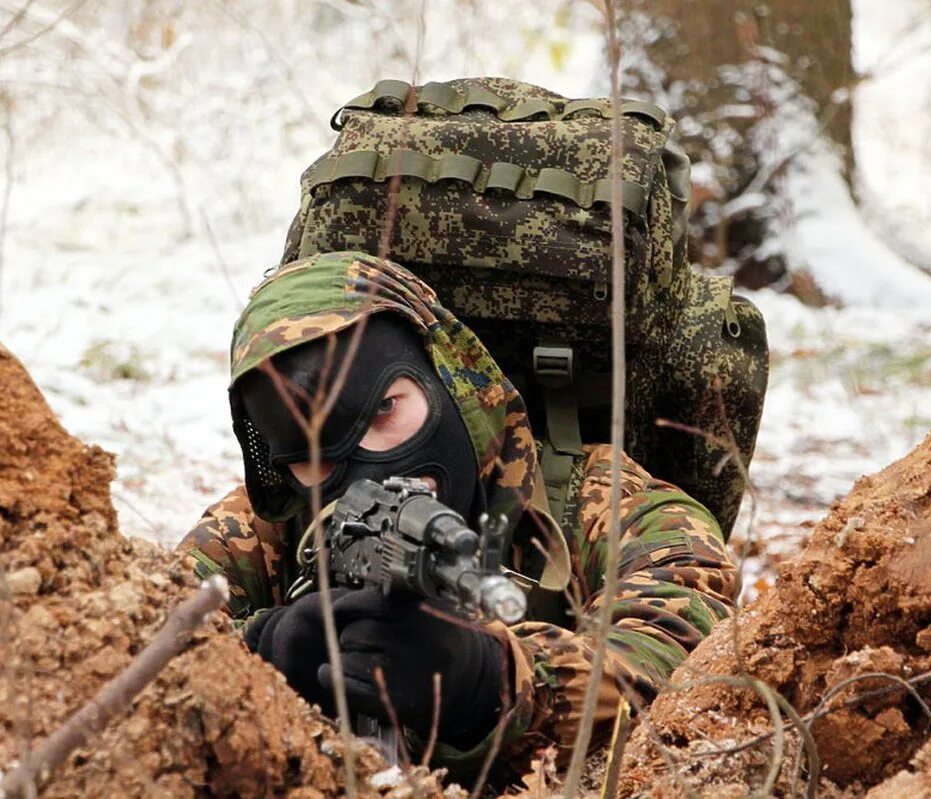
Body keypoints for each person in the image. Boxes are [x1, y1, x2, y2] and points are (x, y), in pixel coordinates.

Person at [180, 249, 738, 779]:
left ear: (446, 376)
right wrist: (264, 649)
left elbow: (687, 661)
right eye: (313, 448)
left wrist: (492, 681)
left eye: (384, 409)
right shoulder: (262, 528)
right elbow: (132, 632)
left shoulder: (608, 503)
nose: (369, 467)